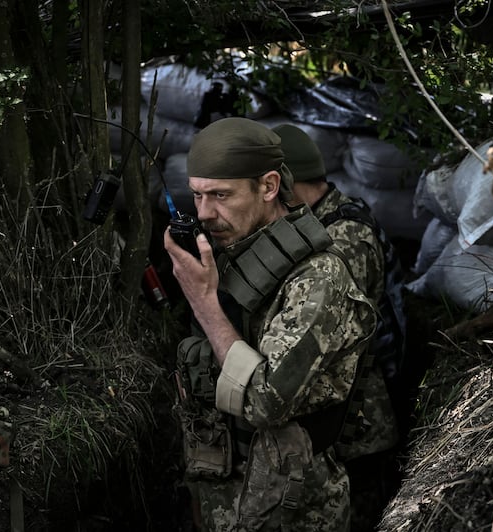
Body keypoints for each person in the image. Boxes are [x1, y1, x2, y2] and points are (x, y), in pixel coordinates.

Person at [164, 117, 377, 531]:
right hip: (223, 489)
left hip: (291, 506)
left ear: (268, 186)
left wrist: (204, 301)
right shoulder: (229, 252)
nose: (205, 213)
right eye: (197, 196)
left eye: (221, 195)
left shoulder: (318, 277)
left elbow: (264, 402)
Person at [272, 123, 409, 531]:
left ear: (284, 182)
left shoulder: (344, 237)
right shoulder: (323, 220)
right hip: (341, 417)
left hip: (359, 423)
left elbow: (327, 336)